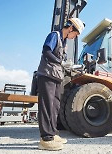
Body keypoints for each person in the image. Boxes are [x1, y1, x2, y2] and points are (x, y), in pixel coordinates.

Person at [36, 18, 85, 151]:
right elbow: (46, 51)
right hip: (46, 75)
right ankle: (45, 139)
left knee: (55, 106)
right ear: (71, 28)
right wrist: (60, 62)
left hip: (56, 77)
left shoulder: (63, 43)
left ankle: (52, 133)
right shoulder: (54, 35)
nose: (75, 37)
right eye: (76, 34)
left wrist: (69, 66)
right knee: (47, 106)